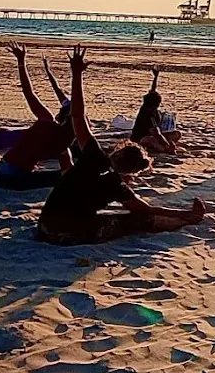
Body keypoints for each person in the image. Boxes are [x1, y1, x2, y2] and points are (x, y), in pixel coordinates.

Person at [36, 45, 205, 245]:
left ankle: (185, 219)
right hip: (70, 234)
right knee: (137, 220)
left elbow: (78, 115)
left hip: (44, 226)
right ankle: (185, 221)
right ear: (131, 171)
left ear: (117, 152)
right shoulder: (117, 186)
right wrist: (184, 214)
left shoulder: (94, 156)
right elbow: (146, 210)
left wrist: (77, 74)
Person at [0, 43, 75, 191]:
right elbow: (68, 172)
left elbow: (28, 92)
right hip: (15, 177)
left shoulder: (46, 120)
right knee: (67, 177)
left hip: (1, 171)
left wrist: (21, 62)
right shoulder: (63, 144)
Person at [130, 68, 180, 154]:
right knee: (152, 140)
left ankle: (165, 146)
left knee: (176, 134)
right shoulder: (147, 114)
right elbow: (157, 134)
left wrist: (155, 77)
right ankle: (166, 149)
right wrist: (167, 145)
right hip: (140, 139)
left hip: (154, 136)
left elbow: (153, 90)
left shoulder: (152, 109)